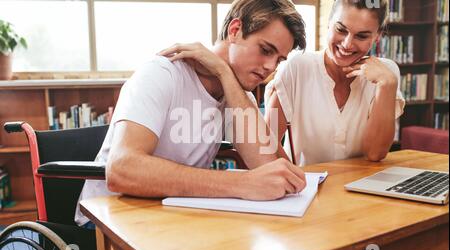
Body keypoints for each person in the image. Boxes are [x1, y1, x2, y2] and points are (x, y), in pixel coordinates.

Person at [75, 0, 307, 227]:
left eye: (279, 60)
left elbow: (269, 168)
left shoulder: (237, 94)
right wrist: (242, 183)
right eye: (266, 50)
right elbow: (122, 170)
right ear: (235, 30)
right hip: (108, 219)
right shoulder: (162, 73)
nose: (270, 67)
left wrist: (223, 72)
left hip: (170, 216)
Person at [264, 0, 405, 166]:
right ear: (329, 24)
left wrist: (386, 85)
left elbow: (375, 153)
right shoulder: (296, 68)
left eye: (362, 36)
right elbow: (266, 142)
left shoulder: (387, 73)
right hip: (307, 187)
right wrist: (295, 179)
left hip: (361, 185)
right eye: (341, 29)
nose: (347, 44)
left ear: (377, 36)